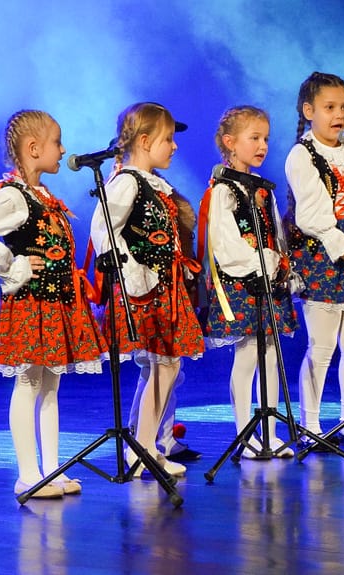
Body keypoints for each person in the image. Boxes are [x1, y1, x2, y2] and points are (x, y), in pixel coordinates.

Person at [0, 109, 106, 498]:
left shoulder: (44, 197)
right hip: (30, 304)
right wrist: (11, 265)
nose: (63, 150)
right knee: (27, 383)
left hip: (56, 304)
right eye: (57, 142)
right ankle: (28, 474)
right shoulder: (13, 197)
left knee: (51, 387)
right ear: (34, 148)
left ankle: (52, 469)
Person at [90, 102, 204, 478]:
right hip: (145, 290)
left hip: (164, 288)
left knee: (166, 367)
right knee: (164, 366)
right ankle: (142, 449)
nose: (173, 147)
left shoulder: (151, 184)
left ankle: (144, 446)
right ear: (143, 140)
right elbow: (103, 230)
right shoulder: (126, 181)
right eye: (167, 139)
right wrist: (134, 277)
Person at [284, 71, 344, 448]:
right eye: (329, 107)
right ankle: (309, 424)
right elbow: (311, 217)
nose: (339, 115)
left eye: (343, 107)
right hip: (324, 255)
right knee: (322, 347)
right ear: (309, 111)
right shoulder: (303, 154)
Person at [199, 105, 300, 458]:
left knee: (271, 356)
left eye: (266, 139)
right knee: (247, 357)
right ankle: (245, 434)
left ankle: (269, 431)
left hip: (269, 282)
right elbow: (225, 244)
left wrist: (281, 262)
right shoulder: (223, 190)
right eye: (254, 138)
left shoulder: (262, 189)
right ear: (230, 142)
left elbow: (275, 233)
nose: (262, 145)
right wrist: (263, 261)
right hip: (242, 283)